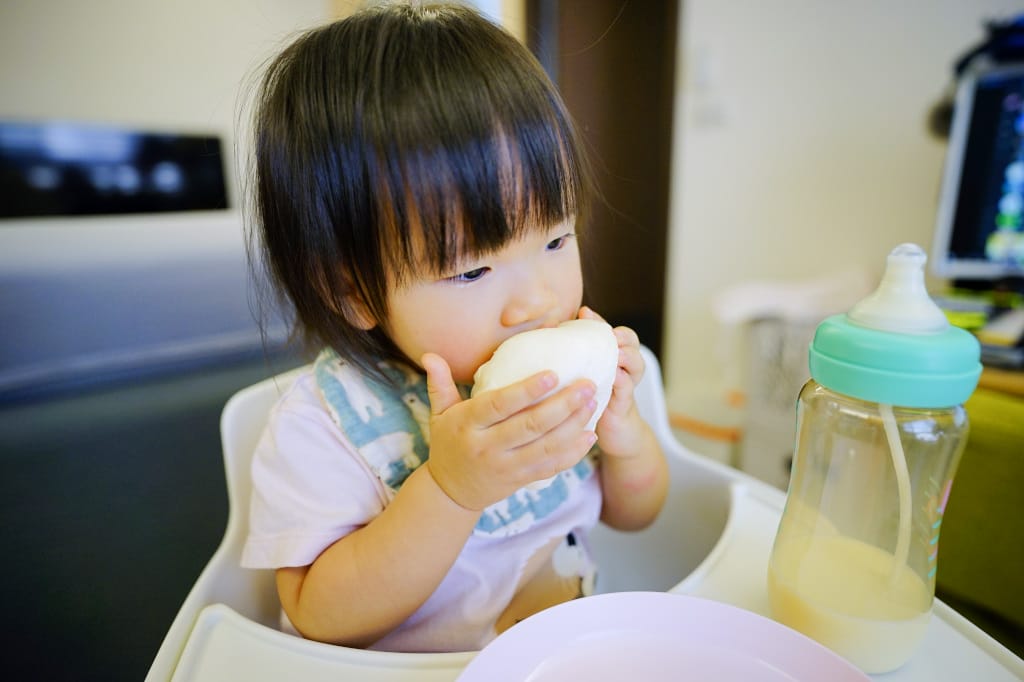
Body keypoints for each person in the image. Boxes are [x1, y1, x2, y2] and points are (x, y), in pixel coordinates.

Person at [241, 1, 668, 653]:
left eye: (556, 239)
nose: (536, 301)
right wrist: (449, 489)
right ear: (355, 293)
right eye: (472, 272)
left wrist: (625, 434)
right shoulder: (323, 426)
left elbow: (636, 515)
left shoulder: (566, 379)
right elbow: (317, 615)